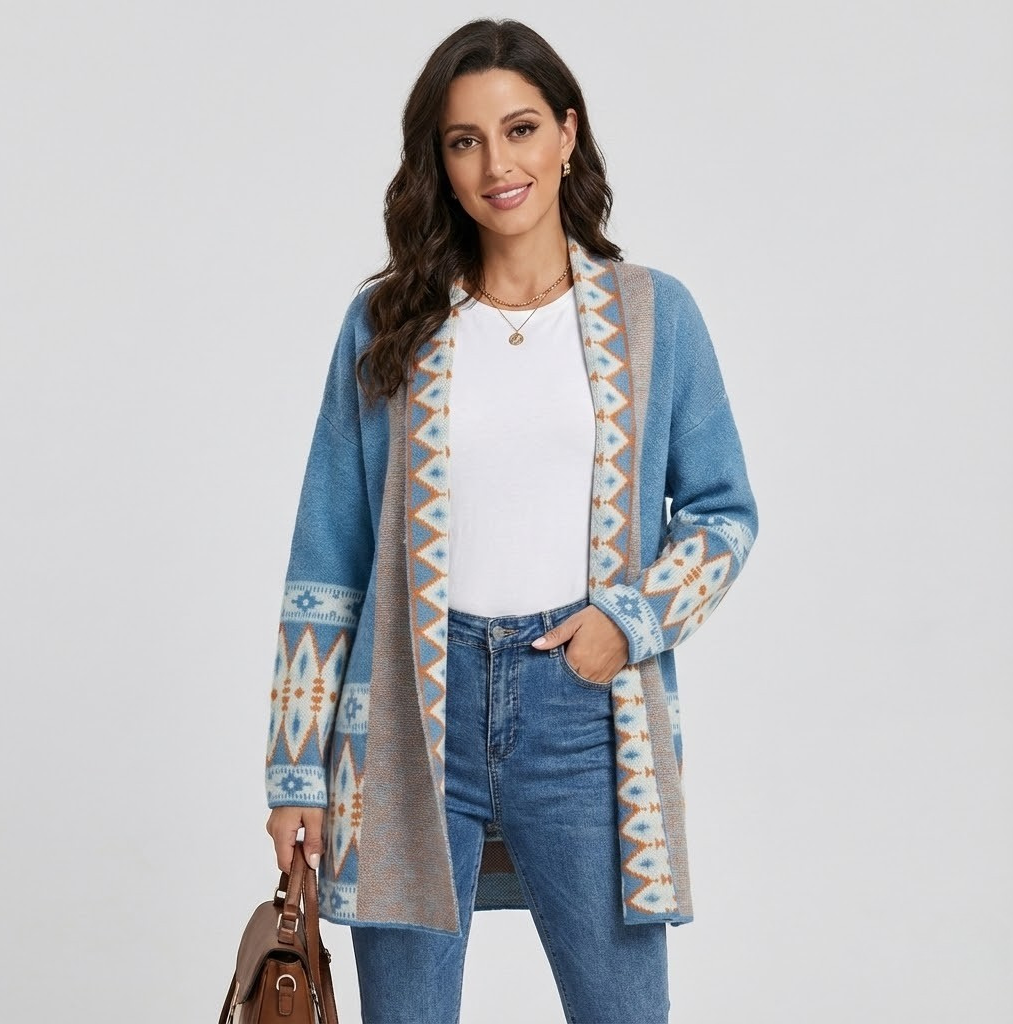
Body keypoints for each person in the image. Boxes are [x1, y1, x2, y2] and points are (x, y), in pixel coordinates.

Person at [264, 17, 758, 1024]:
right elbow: (328, 553)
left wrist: (627, 622)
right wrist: (294, 769)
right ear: (439, 165)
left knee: (621, 1010)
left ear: (567, 134)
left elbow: (722, 513)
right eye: (465, 141)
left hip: (584, 715)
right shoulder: (387, 327)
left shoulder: (653, 315)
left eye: (521, 129)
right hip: (406, 717)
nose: (498, 165)